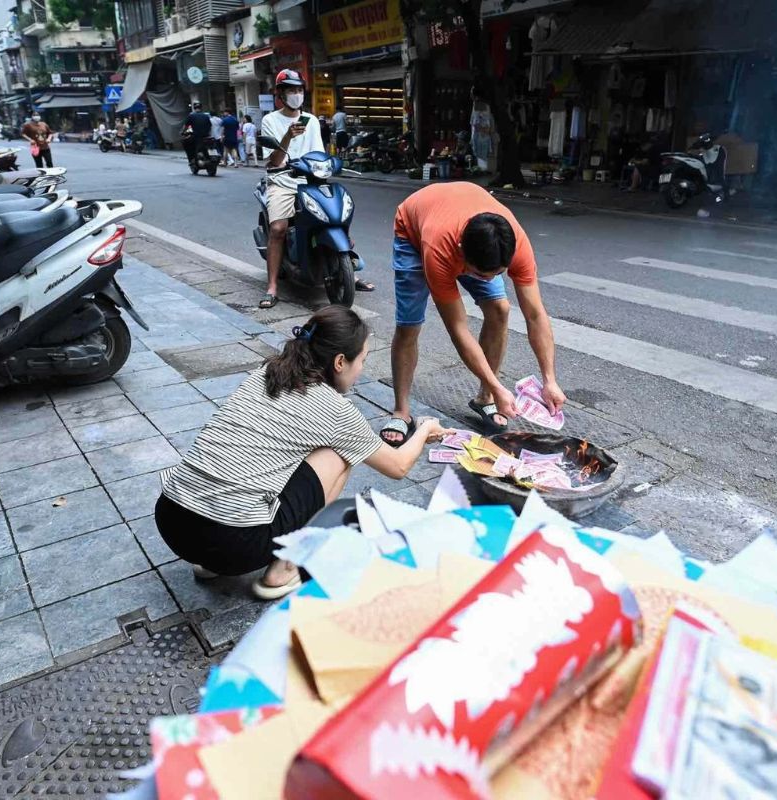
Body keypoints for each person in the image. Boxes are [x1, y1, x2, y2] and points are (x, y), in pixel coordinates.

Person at [154, 305, 447, 598]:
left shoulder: (267, 371)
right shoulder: (336, 411)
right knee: (340, 455)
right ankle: (284, 568)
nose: (362, 370)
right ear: (340, 362)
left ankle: (210, 562)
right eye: (363, 360)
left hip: (172, 522)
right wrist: (423, 430)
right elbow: (398, 467)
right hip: (234, 544)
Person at [380, 182, 567, 446]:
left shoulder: (514, 244)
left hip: (460, 215)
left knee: (500, 309)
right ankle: (401, 410)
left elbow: (535, 315)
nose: (489, 279)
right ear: (461, 251)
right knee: (409, 325)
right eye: (481, 275)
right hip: (413, 230)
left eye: (497, 273)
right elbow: (459, 329)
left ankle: (485, 398)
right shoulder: (440, 249)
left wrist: (550, 380)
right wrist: (498, 385)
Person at [258, 69, 324, 309]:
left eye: (298, 90)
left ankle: (349, 269)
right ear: (280, 95)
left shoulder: (312, 121)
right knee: (278, 228)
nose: (296, 95)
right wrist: (287, 136)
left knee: (333, 215)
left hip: (310, 180)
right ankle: (272, 286)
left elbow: (319, 154)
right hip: (282, 180)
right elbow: (275, 162)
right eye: (290, 91)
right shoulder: (270, 121)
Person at [181, 101, 212, 165]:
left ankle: (191, 159)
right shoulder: (206, 116)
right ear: (201, 108)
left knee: (185, 142)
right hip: (206, 136)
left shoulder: (191, 116)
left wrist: (183, 132)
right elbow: (210, 126)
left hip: (196, 136)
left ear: (194, 108)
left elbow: (186, 126)